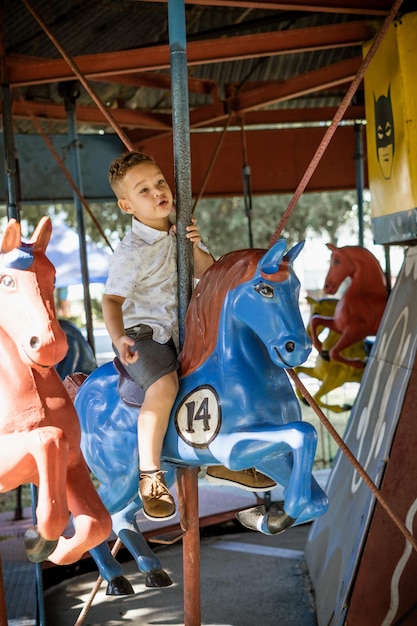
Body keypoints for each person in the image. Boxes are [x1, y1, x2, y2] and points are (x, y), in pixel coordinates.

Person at [103, 151, 275, 522]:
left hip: (184, 330)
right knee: (163, 388)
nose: (158, 192)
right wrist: (119, 338)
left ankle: (224, 460)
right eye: (144, 190)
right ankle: (150, 475)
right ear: (126, 205)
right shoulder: (131, 251)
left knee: (226, 376)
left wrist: (195, 246)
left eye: (160, 182)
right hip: (147, 335)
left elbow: (209, 274)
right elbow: (112, 300)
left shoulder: (179, 232)